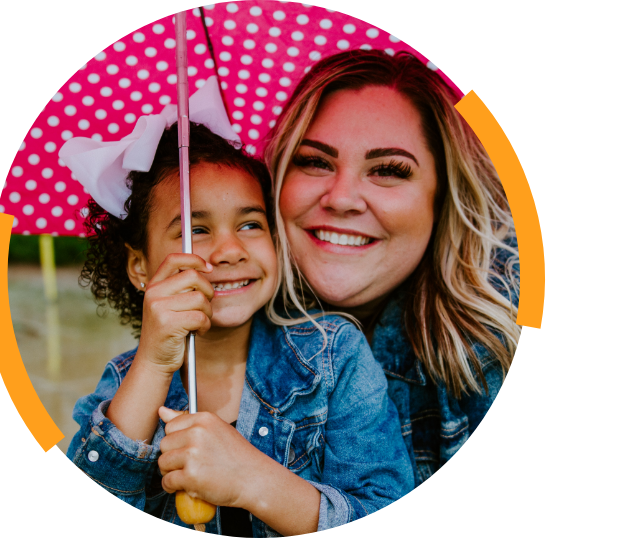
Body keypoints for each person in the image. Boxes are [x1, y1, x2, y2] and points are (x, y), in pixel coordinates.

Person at [62, 78, 413, 536]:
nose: (229, 250)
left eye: (250, 223)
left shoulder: (333, 358)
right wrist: (151, 364)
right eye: (197, 231)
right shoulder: (122, 384)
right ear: (139, 266)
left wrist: (252, 480)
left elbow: (381, 501)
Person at [264, 50, 521, 488]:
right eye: (315, 161)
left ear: (440, 198)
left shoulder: (494, 345)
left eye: (388, 170)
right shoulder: (210, 336)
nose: (342, 198)